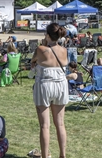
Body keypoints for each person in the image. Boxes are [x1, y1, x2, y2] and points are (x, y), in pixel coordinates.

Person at [30, 23, 68, 158]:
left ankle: (45, 156)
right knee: (60, 124)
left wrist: (45, 43)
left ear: (47, 35)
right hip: (61, 84)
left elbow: (33, 60)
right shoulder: (64, 50)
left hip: (45, 84)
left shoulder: (41, 49)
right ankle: (62, 155)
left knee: (45, 126)